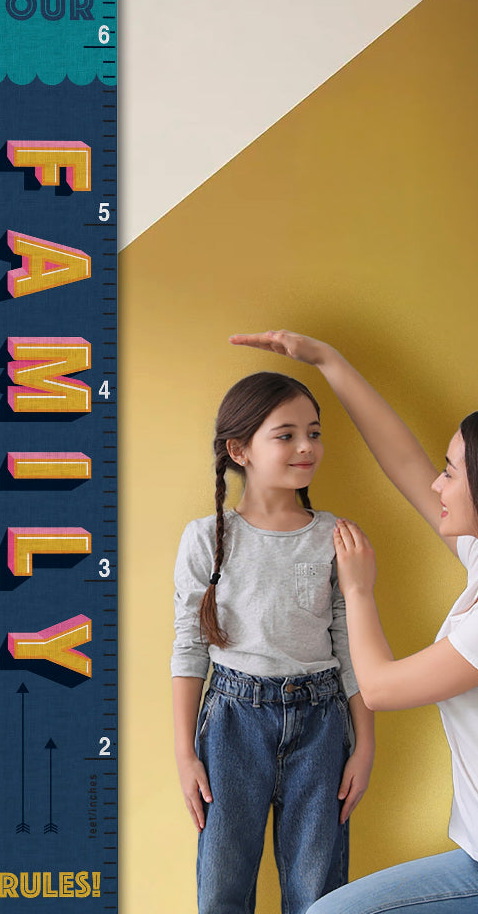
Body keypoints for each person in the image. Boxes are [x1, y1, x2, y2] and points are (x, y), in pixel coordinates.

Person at [231, 330, 478, 913]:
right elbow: (403, 460)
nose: (436, 481)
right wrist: (328, 361)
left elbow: (379, 688)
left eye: (452, 473)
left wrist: (357, 591)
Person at [171, 371, 375, 914]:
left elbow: (351, 650)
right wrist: (185, 752)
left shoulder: (336, 537)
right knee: (222, 889)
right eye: (286, 435)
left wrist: (365, 743)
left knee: (317, 893)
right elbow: (189, 649)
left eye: (314, 432)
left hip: (322, 724)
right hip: (232, 722)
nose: (307, 446)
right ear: (240, 450)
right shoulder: (205, 538)